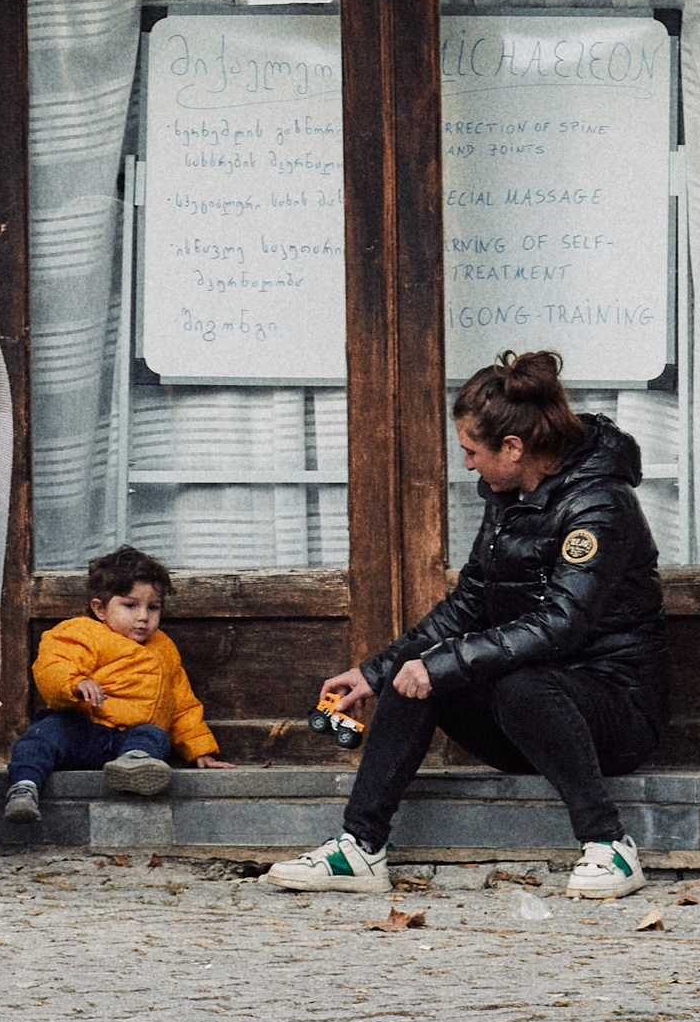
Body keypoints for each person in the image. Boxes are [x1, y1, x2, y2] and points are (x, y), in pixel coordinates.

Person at [270, 348, 668, 901]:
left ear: (513, 447)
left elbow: (562, 624)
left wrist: (444, 664)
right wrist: (375, 672)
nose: (467, 466)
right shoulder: (510, 496)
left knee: (513, 684)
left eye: (471, 451)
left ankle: (609, 846)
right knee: (415, 673)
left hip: (613, 713)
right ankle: (359, 849)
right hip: (527, 719)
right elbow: (469, 603)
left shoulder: (600, 505)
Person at [2, 546, 219, 829]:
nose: (143, 616)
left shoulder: (164, 648)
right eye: (130, 606)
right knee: (43, 735)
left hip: (130, 736)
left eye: (153, 607)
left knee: (155, 736)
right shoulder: (82, 632)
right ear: (100, 608)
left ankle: (134, 765)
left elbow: (182, 704)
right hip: (83, 727)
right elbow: (53, 666)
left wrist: (199, 750)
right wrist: (75, 683)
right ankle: (25, 786)